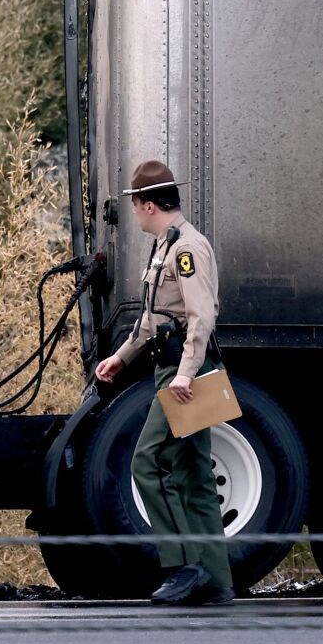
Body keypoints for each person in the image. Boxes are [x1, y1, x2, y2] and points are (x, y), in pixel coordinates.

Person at [93, 159, 233, 607]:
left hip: (183, 373)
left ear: (149, 204)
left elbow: (201, 315)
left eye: (135, 206)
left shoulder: (187, 249)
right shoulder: (165, 248)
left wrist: (187, 374)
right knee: (194, 474)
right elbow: (153, 321)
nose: (133, 213)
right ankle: (216, 581)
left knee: (146, 462)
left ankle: (180, 565)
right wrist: (120, 357)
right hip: (171, 367)